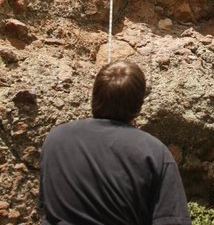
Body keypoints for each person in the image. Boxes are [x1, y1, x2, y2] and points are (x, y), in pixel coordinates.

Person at [39, 60, 192, 225]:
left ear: (94, 96)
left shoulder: (55, 139)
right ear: (138, 106)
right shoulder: (154, 153)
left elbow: (46, 206)